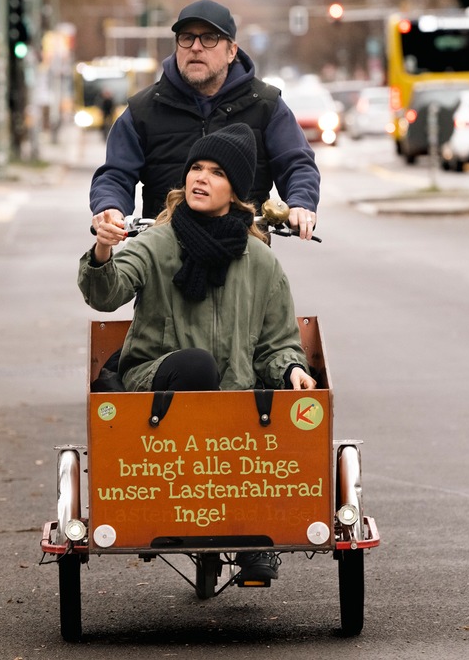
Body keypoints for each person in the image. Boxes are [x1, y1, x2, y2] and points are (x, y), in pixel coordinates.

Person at [80, 124, 316, 582]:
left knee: (263, 400)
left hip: (236, 406)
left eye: (215, 173)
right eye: (195, 168)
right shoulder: (157, 243)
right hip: (156, 387)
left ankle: (252, 535)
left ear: (236, 191)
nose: (200, 179)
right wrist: (104, 251)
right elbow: (105, 295)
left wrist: (291, 370)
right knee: (196, 364)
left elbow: (278, 343)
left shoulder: (260, 260)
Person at [90, 0, 321, 241]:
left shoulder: (266, 104)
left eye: (209, 38)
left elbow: (297, 163)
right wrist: (110, 207)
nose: (196, 47)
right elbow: (115, 173)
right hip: (163, 255)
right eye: (187, 37)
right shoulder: (143, 109)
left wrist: (301, 204)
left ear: (232, 51)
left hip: (244, 251)